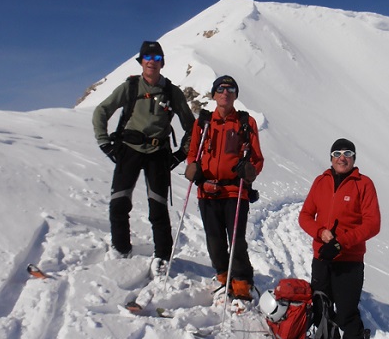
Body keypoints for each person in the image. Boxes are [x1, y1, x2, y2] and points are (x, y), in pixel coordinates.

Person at [92, 40, 195, 277]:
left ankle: (162, 257)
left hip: (158, 154)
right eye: (147, 58)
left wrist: (181, 154)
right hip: (128, 148)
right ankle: (121, 248)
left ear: (162, 63)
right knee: (119, 201)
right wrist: (104, 142)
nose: (152, 62)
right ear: (141, 62)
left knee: (157, 206)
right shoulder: (130, 87)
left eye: (156, 58)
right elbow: (101, 111)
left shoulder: (171, 91)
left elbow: (192, 126)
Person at [298, 138, 380, 339]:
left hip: (349, 259)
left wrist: (341, 242)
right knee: (321, 304)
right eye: (336, 153)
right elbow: (304, 215)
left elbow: (372, 224)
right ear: (331, 158)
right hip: (322, 256)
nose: (341, 157)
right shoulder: (321, 181)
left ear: (353, 158)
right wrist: (319, 232)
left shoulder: (363, 185)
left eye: (347, 153)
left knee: (346, 311)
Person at [185, 75, 264, 301]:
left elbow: (257, 158)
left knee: (236, 240)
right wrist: (193, 168)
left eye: (230, 89)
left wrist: (249, 171)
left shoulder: (246, 123)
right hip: (207, 190)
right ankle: (223, 277)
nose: (225, 92)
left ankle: (241, 283)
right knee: (214, 240)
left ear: (235, 95)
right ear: (214, 94)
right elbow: (193, 153)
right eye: (221, 88)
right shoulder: (203, 122)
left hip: (235, 191)